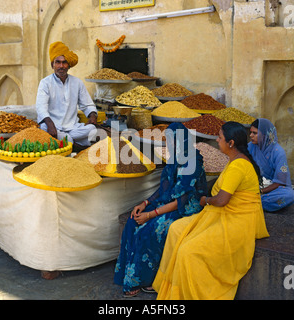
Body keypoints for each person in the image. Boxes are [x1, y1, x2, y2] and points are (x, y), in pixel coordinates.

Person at [152, 121, 269, 300]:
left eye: (220, 137)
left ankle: (193, 295)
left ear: (230, 143)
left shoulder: (238, 166)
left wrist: (205, 200)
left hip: (236, 221)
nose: (216, 139)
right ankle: (173, 289)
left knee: (188, 251)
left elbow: (221, 200)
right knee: (175, 229)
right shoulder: (234, 160)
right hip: (220, 213)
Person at [114, 122, 207, 297]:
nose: (168, 144)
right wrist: (145, 204)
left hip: (187, 207)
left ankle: (147, 280)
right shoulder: (174, 159)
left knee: (151, 229)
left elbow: (182, 199)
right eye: (168, 140)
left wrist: (151, 214)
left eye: (172, 140)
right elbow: (164, 189)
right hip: (169, 201)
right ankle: (129, 275)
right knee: (133, 222)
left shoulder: (193, 162)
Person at [36, 41, 98, 151]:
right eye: (58, 62)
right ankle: (76, 146)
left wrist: (92, 116)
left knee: (92, 129)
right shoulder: (45, 83)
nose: (61, 66)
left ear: (68, 65)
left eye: (64, 62)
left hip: (73, 127)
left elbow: (87, 104)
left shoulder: (77, 82)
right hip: (53, 128)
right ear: (52, 65)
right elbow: (41, 107)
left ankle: (69, 144)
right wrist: (50, 124)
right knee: (47, 129)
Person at [248, 118, 294, 212]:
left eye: (255, 133)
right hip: (253, 184)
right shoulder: (250, 146)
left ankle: (254, 202)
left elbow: (280, 181)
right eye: (251, 132)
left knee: (289, 195)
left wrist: (260, 191)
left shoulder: (278, 152)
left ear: (265, 135)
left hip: (272, 187)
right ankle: (252, 201)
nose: (250, 135)